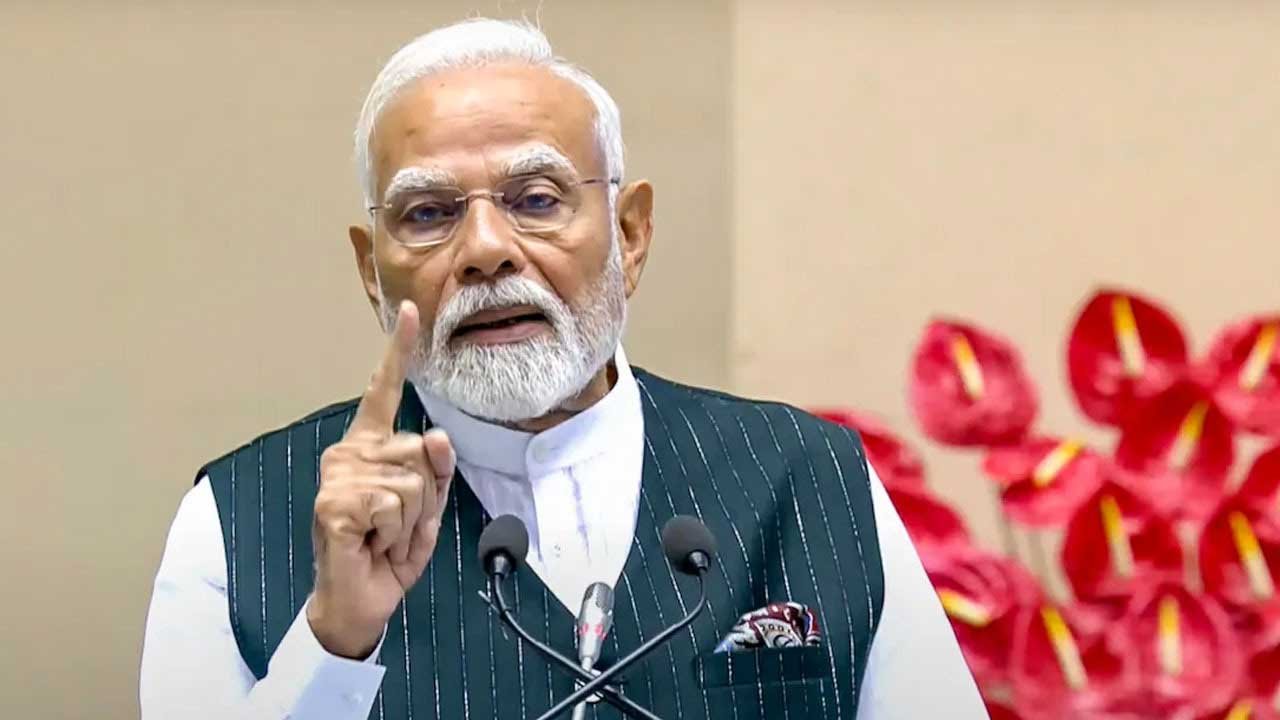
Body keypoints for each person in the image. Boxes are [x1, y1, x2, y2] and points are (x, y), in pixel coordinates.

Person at [140, 17, 985, 720]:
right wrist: (333, 642)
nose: (485, 251)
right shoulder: (240, 515)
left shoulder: (808, 478)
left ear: (630, 234)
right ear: (372, 270)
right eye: (429, 214)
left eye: (537, 200)